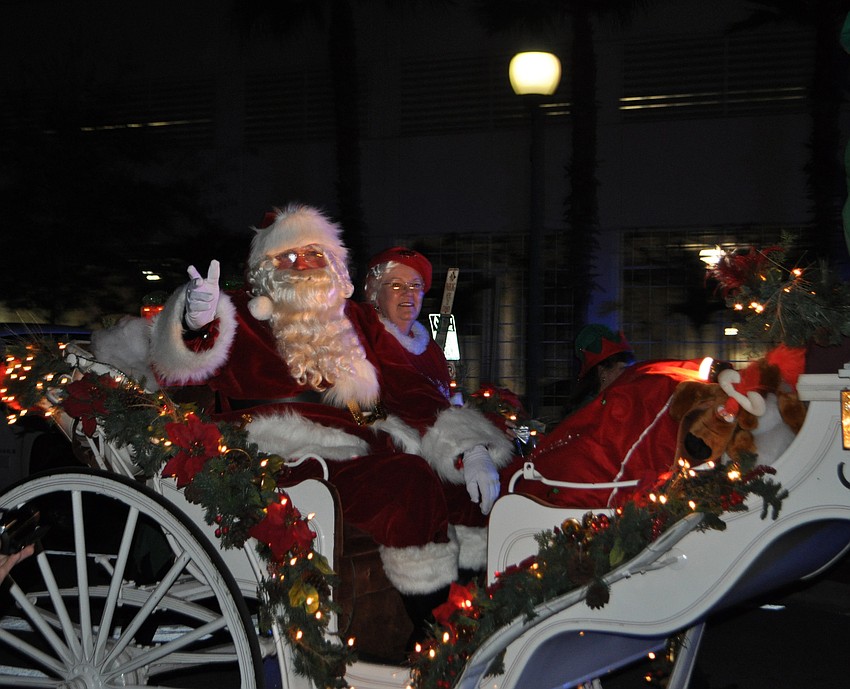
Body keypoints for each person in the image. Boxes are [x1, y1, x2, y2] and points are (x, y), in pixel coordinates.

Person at [98, 205, 512, 645]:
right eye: (287, 258)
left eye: (314, 256)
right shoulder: (238, 313)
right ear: (266, 269)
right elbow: (179, 363)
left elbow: (409, 389)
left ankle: (479, 612)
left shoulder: (356, 321)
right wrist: (191, 319)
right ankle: (437, 640)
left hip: (360, 447)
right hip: (275, 455)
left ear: (333, 265)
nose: (302, 267)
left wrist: (470, 448)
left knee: (454, 486)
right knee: (407, 481)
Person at [361, 247, 514, 582]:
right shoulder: (370, 334)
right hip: (384, 443)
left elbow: (441, 399)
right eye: (396, 285)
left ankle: (484, 573)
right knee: (418, 477)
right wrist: (469, 445)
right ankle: (430, 590)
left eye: (415, 286)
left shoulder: (427, 347)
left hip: (434, 439)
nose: (408, 295)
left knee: (506, 468)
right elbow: (411, 397)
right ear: (375, 293)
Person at [564, 324, 636, 415]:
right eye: (623, 369)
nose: (629, 374)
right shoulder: (588, 410)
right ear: (603, 372)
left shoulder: (615, 402)